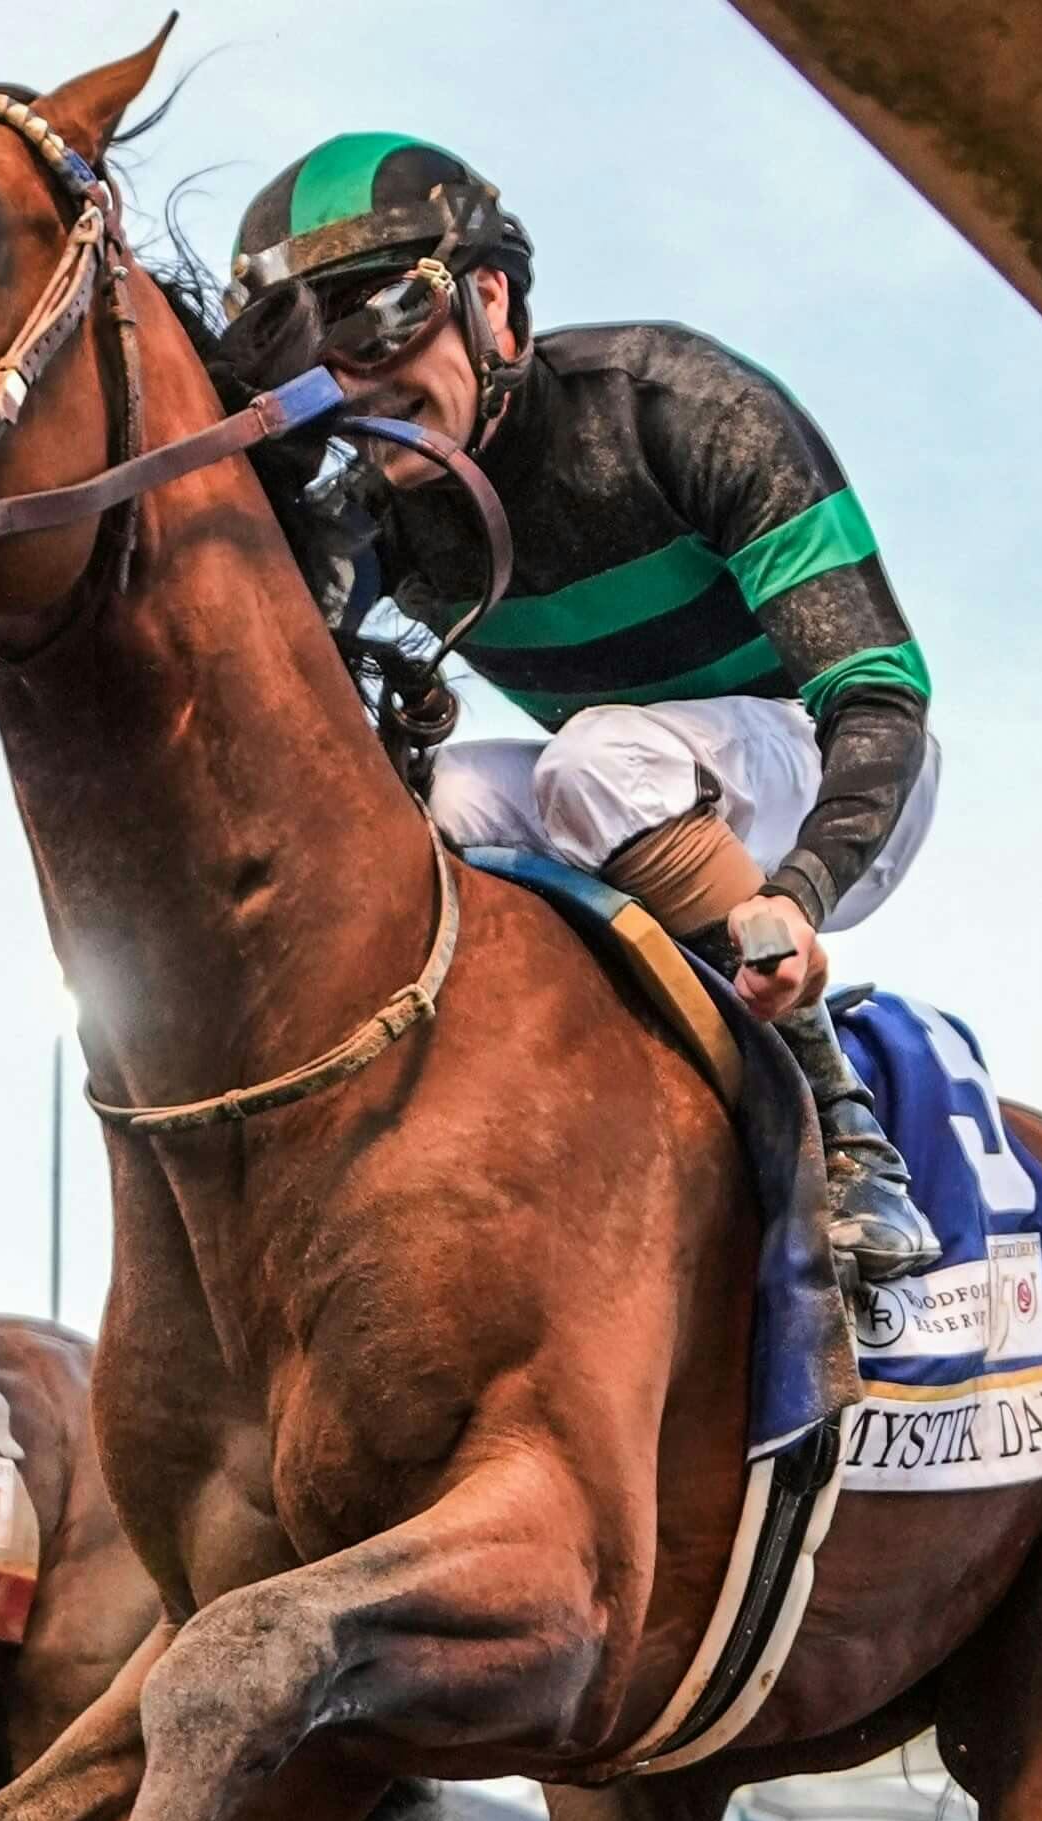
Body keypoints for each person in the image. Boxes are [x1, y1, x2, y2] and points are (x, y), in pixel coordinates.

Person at [219, 135, 939, 1282]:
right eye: (311, 360)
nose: (354, 383)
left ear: (489, 297)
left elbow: (877, 697)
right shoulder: (370, 509)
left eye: (377, 323)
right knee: (414, 806)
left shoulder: (682, 407)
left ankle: (840, 1124)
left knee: (595, 760)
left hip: (828, 774)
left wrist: (797, 894)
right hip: (626, 792)